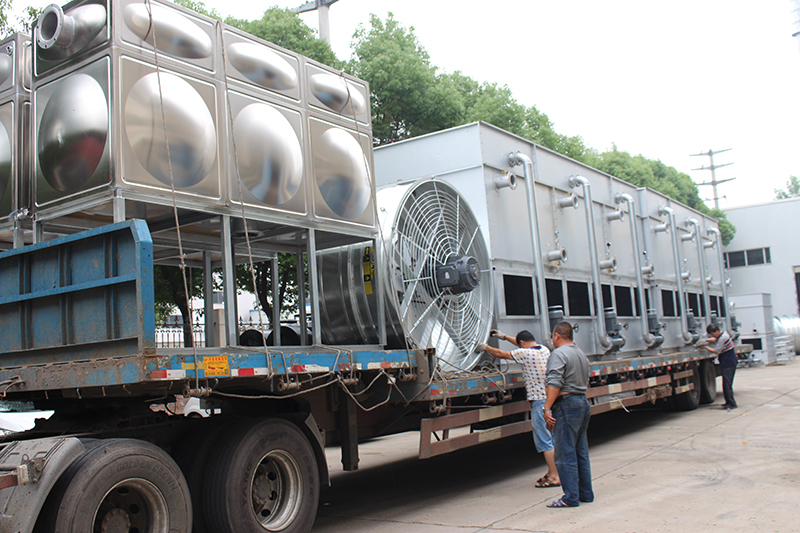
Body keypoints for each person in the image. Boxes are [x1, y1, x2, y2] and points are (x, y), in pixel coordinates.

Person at [478, 330, 559, 488]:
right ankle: (553, 472)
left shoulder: (525, 354)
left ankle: (555, 476)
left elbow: (500, 353)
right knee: (552, 439)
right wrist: (504, 337)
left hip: (539, 403)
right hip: (550, 400)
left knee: (545, 441)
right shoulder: (544, 349)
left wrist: (484, 347)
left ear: (522, 343)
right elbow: (522, 344)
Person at [542, 321, 594, 508]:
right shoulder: (580, 354)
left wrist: (547, 408)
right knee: (581, 452)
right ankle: (586, 494)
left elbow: (555, 382)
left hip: (566, 405)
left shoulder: (558, 354)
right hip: (582, 402)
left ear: (557, 336)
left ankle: (570, 497)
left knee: (565, 454)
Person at [704, 324, 737, 409]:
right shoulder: (723, 335)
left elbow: (716, 351)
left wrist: (706, 347)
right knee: (726, 384)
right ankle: (728, 402)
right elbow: (715, 339)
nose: (712, 336)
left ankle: (731, 403)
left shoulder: (723, 338)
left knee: (727, 384)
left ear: (716, 331)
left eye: (712, 334)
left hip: (728, 364)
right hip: (728, 363)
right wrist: (706, 340)